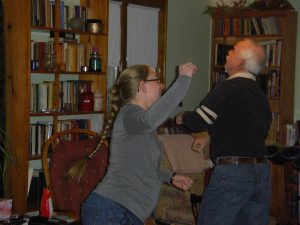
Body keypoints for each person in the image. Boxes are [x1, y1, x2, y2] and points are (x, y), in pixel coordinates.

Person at [81, 63, 198, 225]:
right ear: (142, 86)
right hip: (111, 210)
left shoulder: (139, 124)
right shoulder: (129, 114)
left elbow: (142, 165)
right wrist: (183, 80)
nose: (162, 85)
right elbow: (150, 121)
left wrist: (170, 177)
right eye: (158, 80)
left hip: (125, 213)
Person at [176, 39, 272, 225]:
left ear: (241, 62)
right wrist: (210, 136)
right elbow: (243, 129)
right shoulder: (260, 95)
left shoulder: (228, 87)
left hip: (233, 173)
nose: (228, 53)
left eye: (233, 51)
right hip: (262, 171)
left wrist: (182, 116)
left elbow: (196, 122)